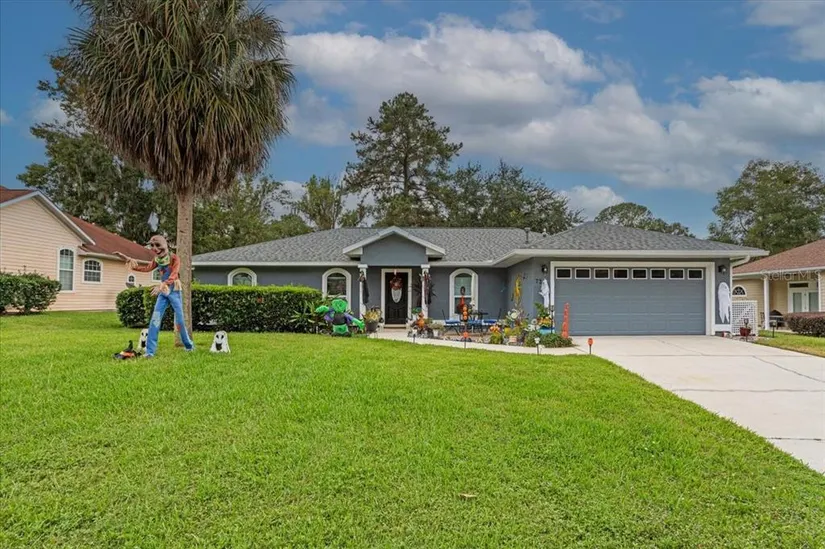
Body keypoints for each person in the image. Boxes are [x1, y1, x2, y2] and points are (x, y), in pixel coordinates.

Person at [116, 235, 195, 358]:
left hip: (174, 291)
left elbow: (174, 275)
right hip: (163, 292)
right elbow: (146, 268)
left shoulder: (174, 258)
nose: (155, 248)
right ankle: (150, 352)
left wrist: (162, 285)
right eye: (152, 245)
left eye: (158, 245)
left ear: (166, 244)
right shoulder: (157, 260)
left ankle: (189, 346)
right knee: (155, 320)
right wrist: (129, 260)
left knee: (179, 321)